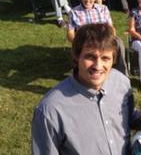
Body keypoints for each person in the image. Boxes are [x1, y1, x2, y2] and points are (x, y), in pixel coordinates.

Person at [32, 23, 134, 155]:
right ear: (76, 56)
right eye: (90, 57)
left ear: (113, 60)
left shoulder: (121, 83)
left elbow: (130, 116)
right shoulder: (50, 110)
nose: (98, 66)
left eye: (105, 58)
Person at [67, 0, 128, 76]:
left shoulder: (103, 9)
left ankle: (121, 73)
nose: (87, 0)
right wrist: (77, 41)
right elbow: (70, 33)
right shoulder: (74, 12)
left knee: (118, 42)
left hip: (104, 39)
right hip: (86, 41)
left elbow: (111, 27)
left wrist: (112, 38)